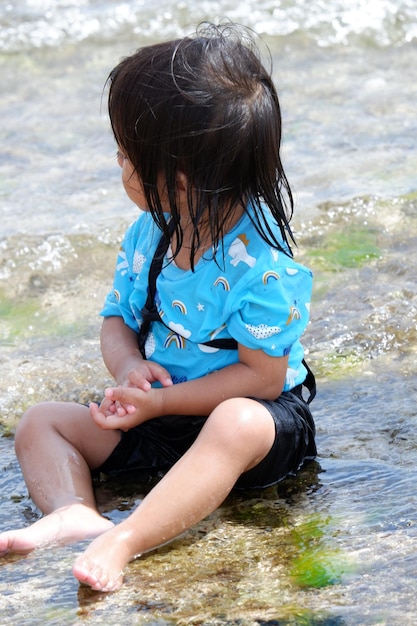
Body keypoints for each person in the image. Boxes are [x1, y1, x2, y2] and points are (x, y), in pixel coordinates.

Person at [0, 22, 316, 592]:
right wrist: (128, 373)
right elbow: (117, 318)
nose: (118, 165)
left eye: (125, 155)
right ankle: (74, 512)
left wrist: (164, 400)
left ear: (176, 181)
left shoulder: (264, 267)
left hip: (249, 430)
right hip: (164, 419)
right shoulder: (150, 233)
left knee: (236, 422)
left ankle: (125, 538)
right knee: (41, 421)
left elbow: (263, 379)